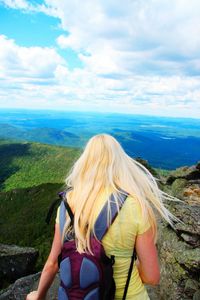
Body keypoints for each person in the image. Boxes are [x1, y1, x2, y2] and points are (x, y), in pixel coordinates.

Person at [26, 133, 177, 300]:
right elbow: (152, 277)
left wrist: (38, 296)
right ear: (120, 163)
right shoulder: (136, 205)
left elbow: (52, 263)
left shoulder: (66, 204)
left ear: (85, 162)